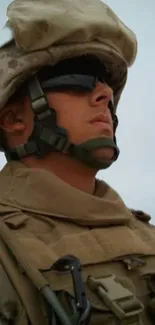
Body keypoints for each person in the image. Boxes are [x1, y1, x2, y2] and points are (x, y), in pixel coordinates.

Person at [0, 0, 154, 324]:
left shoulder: (146, 235)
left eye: (106, 84)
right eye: (78, 78)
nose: (105, 94)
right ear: (14, 119)